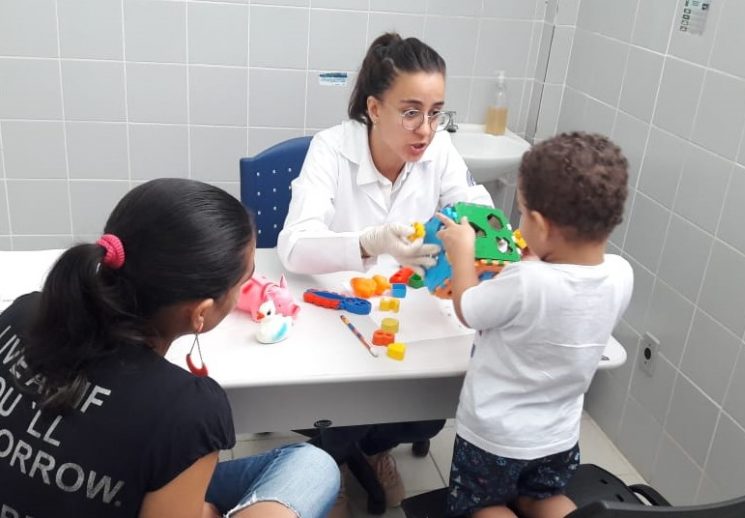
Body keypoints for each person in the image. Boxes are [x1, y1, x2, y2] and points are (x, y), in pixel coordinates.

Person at [0, 179, 339, 518]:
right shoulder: (187, 410)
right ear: (201, 312)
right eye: (244, 279)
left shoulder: (23, 313)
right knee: (313, 468)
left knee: (312, 463)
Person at [276, 32, 494, 512]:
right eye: (411, 112)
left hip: (410, 311)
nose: (425, 130)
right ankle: (328, 465)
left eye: (435, 113)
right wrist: (368, 242)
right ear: (374, 109)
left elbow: (478, 209)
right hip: (338, 309)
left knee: (430, 407)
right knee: (346, 394)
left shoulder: (438, 150)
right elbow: (293, 247)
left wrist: (473, 237)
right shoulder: (331, 149)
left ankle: (371, 451)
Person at [436, 132, 634, 518]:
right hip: (558, 436)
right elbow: (567, 302)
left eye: (523, 214)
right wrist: (539, 258)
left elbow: (468, 309)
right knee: (541, 497)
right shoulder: (621, 274)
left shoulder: (526, 281)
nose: (520, 222)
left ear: (541, 225)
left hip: (495, 438)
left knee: (483, 506)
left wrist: (462, 255)